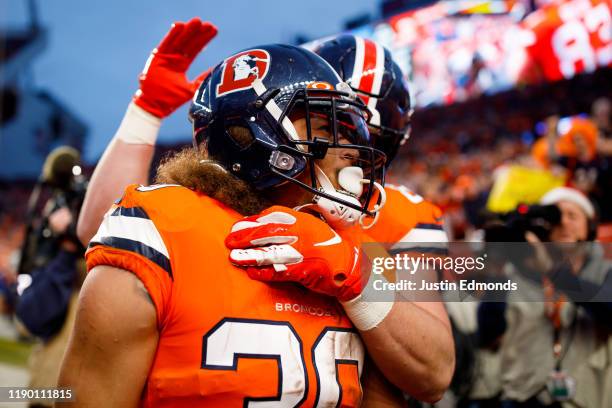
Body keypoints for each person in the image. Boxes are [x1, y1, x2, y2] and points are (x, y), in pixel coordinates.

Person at [60, 35, 453, 406]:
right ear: (256, 134)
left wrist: (356, 275)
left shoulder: (362, 228)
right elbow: (97, 227)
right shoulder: (167, 225)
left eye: (356, 132)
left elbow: (432, 373)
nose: (351, 151)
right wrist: (144, 115)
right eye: (329, 126)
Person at [478, 187, 612, 407]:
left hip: (588, 397)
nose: (565, 223)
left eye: (573, 216)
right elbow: (488, 333)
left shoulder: (605, 271)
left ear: (590, 226)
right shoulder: (517, 274)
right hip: (524, 397)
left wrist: (554, 272)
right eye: (557, 217)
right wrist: (497, 269)